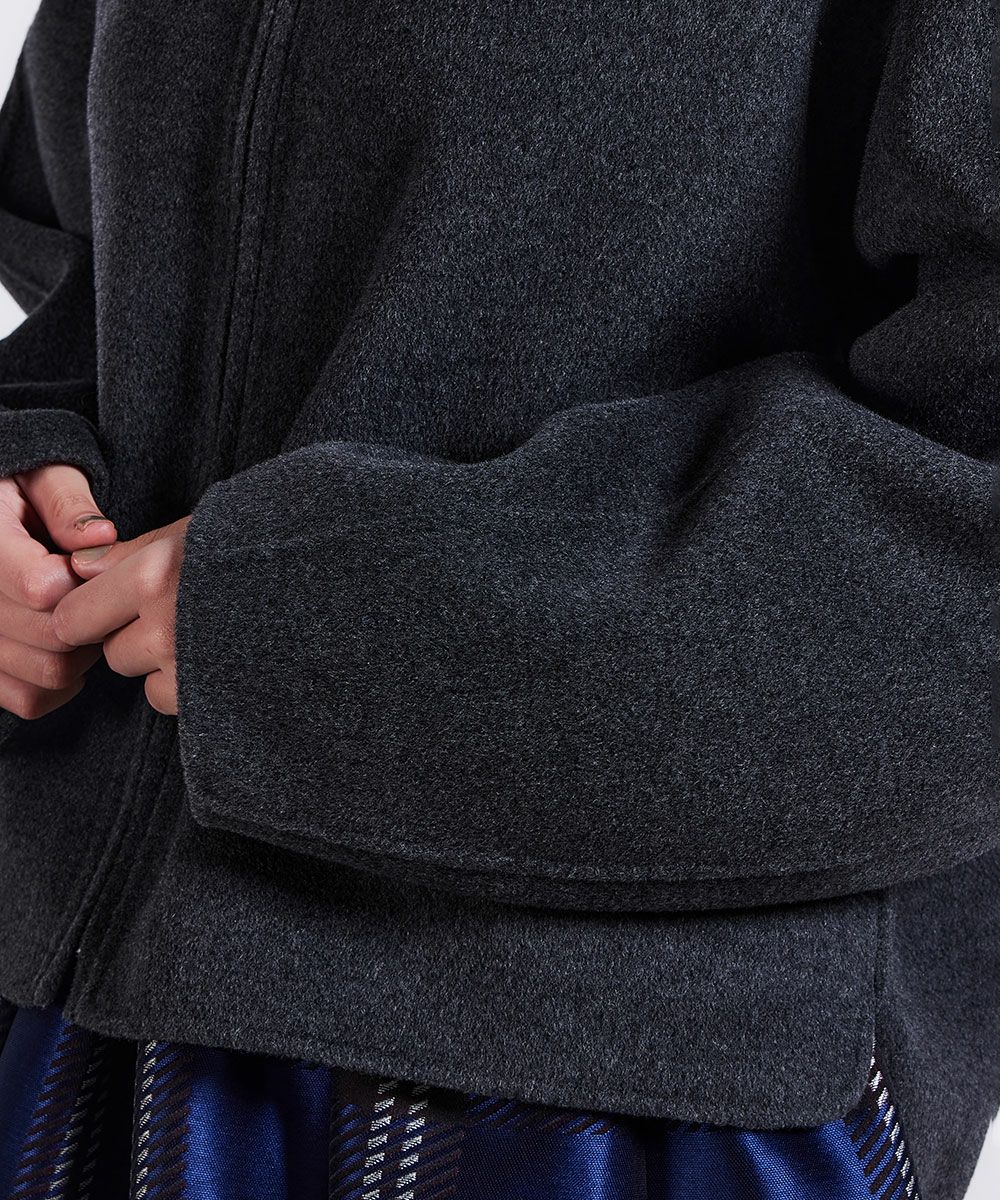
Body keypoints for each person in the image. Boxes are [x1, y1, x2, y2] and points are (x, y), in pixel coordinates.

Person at [0, 0, 995, 1196]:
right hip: (67, 971)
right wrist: (31, 457)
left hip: (616, 1066)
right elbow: (91, 235)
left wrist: (339, 615)